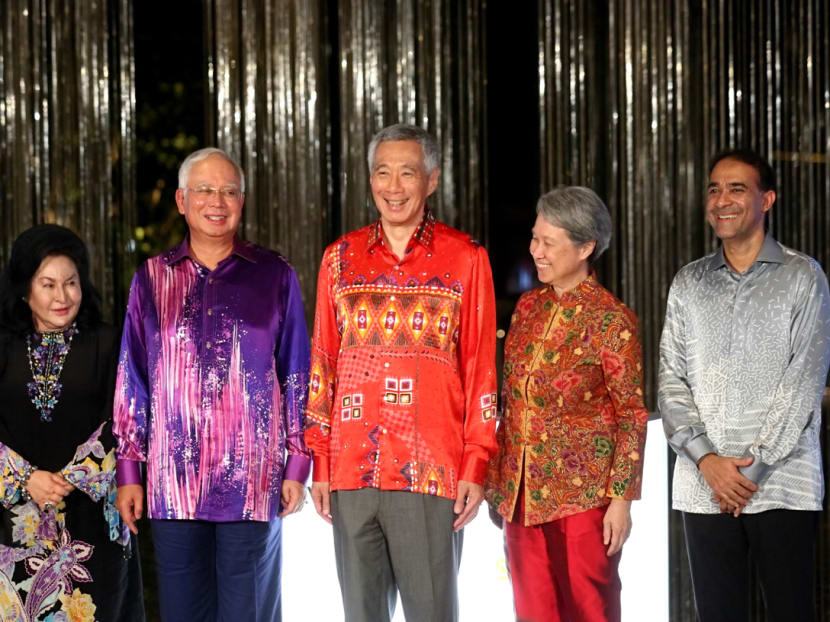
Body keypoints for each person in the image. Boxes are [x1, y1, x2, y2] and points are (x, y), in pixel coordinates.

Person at [305, 123, 498, 622]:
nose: (394, 187)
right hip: (352, 470)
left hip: (432, 470)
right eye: (382, 173)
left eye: (406, 173)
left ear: (431, 180)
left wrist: (476, 463)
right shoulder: (339, 259)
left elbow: (480, 368)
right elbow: (322, 363)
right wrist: (320, 462)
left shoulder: (466, 258)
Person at [113, 147, 310, 621]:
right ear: (182, 200)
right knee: (183, 613)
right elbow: (132, 378)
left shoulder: (275, 275)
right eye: (204, 189)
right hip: (173, 483)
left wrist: (298, 463)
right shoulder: (152, 278)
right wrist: (128, 471)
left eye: (228, 191)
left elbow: (298, 373)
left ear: (242, 202)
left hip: (252, 481)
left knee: (250, 612)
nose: (216, 200)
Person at [659, 148, 830, 622]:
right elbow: (670, 381)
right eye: (714, 189)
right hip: (703, 486)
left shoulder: (803, 277)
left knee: (791, 611)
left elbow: (803, 382)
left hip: (782, 483)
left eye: (737, 188)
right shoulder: (688, 283)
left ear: (767, 199)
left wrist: (747, 474)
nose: (721, 199)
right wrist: (708, 461)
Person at [485, 186, 648, 622]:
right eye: (534, 238)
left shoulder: (612, 319)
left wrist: (621, 501)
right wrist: (497, 483)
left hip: (585, 500)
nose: (535, 250)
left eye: (547, 242)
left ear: (585, 247)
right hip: (521, 496)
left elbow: (631, 414)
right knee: (532, 610)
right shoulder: (527, 307)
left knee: (589, 609)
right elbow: (511, 402)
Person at [0, 224, 144, 622]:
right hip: (12, 522)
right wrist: (23, 476)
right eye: (47, 284)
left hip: (90, 521)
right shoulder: (4, 346)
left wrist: (75, 475)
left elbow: (126, 417)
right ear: (24, 288)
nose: (61, 296)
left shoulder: (110, 342)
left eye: (71, 283)